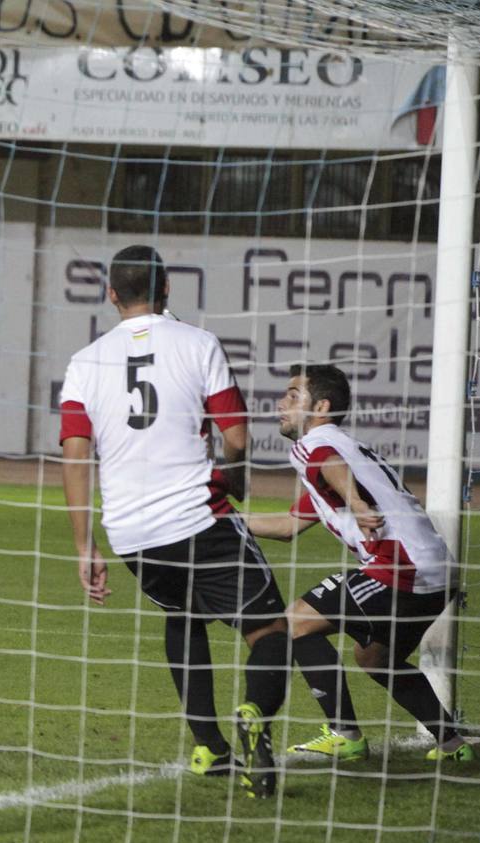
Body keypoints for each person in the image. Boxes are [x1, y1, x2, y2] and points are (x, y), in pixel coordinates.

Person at [59, 244, 296, 798]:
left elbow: (75, 456)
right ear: (167, 289)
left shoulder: (83, 362)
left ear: (111, 294)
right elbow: (235, 436)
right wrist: (234, 482)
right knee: (271, 632)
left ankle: (208, 747)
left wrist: (83, 546)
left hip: (131, 534)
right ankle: (255, 713)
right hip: (199, 517)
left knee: (182, 615)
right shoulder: (198, 343)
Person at [243, 364, 474, 762]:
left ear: (322, 407)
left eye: (293, 396)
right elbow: (287, 526)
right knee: (375, 658)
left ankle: (344, 734)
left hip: (404, 566)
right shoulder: (345, 451)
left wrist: (355, 503)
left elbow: (330, 463)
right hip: (435, 572)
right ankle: (452, 744)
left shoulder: (314, 444)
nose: (281, 403)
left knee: (295, 623)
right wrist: (221, 521)